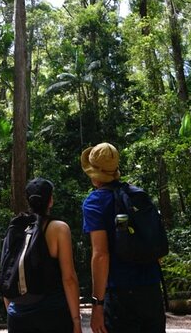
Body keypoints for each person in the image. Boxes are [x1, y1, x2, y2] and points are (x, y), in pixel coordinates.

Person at [81, 142, 165, 333]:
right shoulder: (136, 195)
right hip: (151, 288)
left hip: (121, 293)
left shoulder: (95, 202)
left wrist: (97, 304)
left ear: (94, 174)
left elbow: (101, 254)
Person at [4, 178, 83, 333]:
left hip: (17, 315)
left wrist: (12, 313)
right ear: (50, 200)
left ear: (28, 200)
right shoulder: (59, 229)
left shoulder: (15, 227)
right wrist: (76, 321)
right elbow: (69, 278)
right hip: (52, 314)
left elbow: (7, 272)